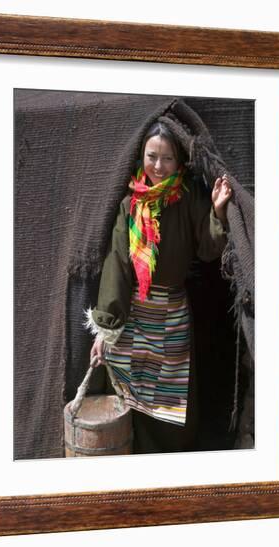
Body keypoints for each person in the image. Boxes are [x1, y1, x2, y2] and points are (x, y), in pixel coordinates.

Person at [84, 120, 232, 454]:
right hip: (134, 312)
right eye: (152, 156)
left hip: (172, 311)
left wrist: (219, 212)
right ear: (141, 156)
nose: (158, 166)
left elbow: (209, 247)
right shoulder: (130, 204)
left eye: (166, 159)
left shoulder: (189, 196)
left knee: (171, 398)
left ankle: (172, 464)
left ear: (178, 161)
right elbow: (118, 265)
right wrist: (105, 330)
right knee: (131, 393)